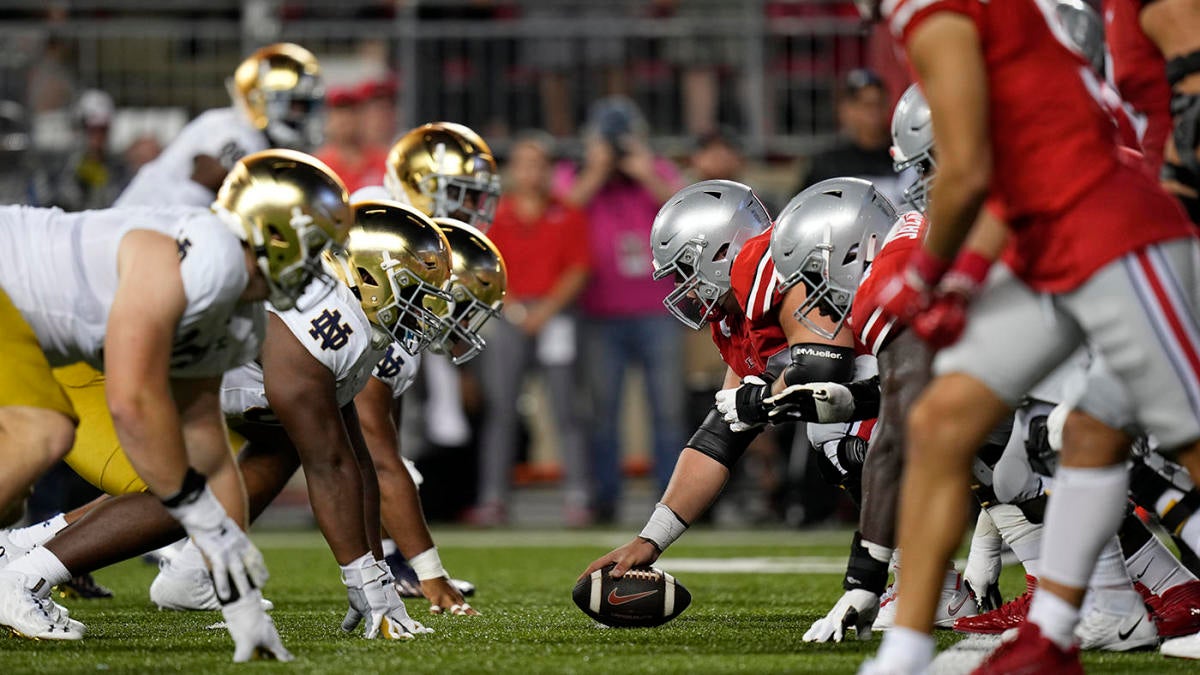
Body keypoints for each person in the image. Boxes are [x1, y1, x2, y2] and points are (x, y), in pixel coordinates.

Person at [848, 1, 1200, 672]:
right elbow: (1010, 166)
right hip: (1043, 234)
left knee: (1185, 436)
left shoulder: (932, 8)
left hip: (1113, 230)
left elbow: (969, 168)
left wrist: (925, 274)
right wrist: (963, 276)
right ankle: (916, 652)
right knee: (946, 422)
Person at [1, 200, 449, 643]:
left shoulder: (349, 324)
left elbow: (353, 461)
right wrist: (364, 582)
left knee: (266, 453)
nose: (425, 308)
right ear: (368, 276)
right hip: (86, 355)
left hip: (113, 351)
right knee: (185, 485)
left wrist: (375, 578)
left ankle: (24, 552)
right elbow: (328, 465)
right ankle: (24, 578)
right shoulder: (317, 322)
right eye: (415, 290)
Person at [0, 148, 351, 659]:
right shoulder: (213, 255)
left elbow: (206, 447)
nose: (320, 267)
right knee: (40, 434)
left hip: (22, 322)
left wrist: (242, 605)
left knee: (14, 487)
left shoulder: (241, 315)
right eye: (315, 245)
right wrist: (202, 519)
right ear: (273, 231)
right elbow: (130, 401)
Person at [577, 178, 877, 581]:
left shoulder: (773, 266)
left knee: (836, 440)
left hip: (912, 372)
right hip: (892, 384)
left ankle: (917, 578)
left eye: (686, 267)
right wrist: (650, 540)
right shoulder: (735, 317)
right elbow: (720, 436)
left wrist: (760, 398)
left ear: (722, 249)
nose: (686, 285)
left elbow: (824, 368)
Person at [556, 97, 688, 519]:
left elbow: (684, 209)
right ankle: (604, 497)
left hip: (657, 310)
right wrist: (596, 169)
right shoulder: (576, 175)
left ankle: (673, 500)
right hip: (599, 313)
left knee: (667, 411)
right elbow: (560, 214)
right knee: (602, 413)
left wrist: (644, 169)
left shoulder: (655, 169)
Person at [468, 131, 591, 526]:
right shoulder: (497, 214)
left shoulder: (567, 212)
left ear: (550, 171)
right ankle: (493, 498)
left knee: (567, 410)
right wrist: (516, 306)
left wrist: (546, 309)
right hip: (510, 315)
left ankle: (578, 496)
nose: (531, 172)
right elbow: (485, 267)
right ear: (512, 171)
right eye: (523, 164)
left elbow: (578, 268)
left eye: (538, 164)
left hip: (556, 316)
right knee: (501, 411)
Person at [116, 42, 324, 209]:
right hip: (143, 226)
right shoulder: (238, 136)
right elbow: (196, 194)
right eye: (295, 104)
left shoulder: (240, 129)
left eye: (305, 106)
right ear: (259, 99)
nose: (301, 115)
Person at [796, 69, 912, 206]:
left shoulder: (906, 159)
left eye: (878, 103)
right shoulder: (827, 164)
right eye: (865, 105)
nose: (873, 112)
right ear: (844, 110)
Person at [51, 89, 129, 211]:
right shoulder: (61, 170)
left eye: (102, 130)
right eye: (92, 130)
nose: (97, 137)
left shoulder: (120, 172)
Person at [315, 87, 388, 193]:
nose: (344, 120)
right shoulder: (320, 166)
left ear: (362, 117)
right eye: (338, 114)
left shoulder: (384, 161)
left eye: (351, 113)